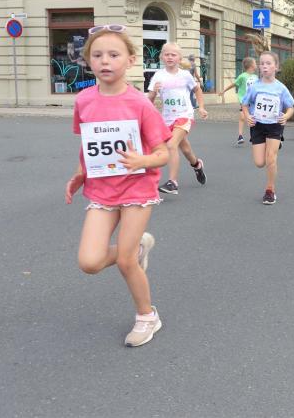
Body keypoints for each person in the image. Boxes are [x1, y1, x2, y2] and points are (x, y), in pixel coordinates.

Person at [64, 24, 171, 347]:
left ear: (130, 60)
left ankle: (147, 316)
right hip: (102, 191)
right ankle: (138, 247)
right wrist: (80, 174)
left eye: (113, 55)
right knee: (89, 262)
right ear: (88, 61)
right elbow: (90, 145)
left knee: (124, 262)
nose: (105, 61)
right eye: (97, 55)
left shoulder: (140, 104)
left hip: (137, 189)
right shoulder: (84, 100)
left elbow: (163, 153)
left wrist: (142, 160)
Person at [147, 43, 208, 195]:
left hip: (184, 115)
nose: (170, 57)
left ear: (179, 58)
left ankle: (173, 182)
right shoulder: (158, 76)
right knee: (185, 149)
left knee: (171, 145)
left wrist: (201, 107)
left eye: (173, 55)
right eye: (166, 54)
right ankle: (197, 165)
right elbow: (149, 101)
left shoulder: (185, 75)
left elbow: (197, 90)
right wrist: (154, 92)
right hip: (167, 119)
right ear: (161, 57)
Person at [241, 51, 294, 204]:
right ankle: (274, 147)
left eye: (268, 63)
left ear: (276, 67)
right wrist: (247, 116)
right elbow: (244, 104)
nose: (264, 66)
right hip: (258, 125)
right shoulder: (254, 87)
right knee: (259, 163)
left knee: (271, 158)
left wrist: (286, 116)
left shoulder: (281, 88)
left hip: (274, 126)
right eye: (262, 63)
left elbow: (290, 108)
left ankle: (270, 190)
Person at [221, 57, 258, 145]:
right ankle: (240, 136)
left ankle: (253, 135)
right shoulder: (242, 76)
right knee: (242, 116)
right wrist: (224, 91)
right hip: (244, 100)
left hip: (253, 100)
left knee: (253, 117)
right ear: (251, 65)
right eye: (255, 63)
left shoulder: (256, 77)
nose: (256, 65)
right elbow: (234, 84)